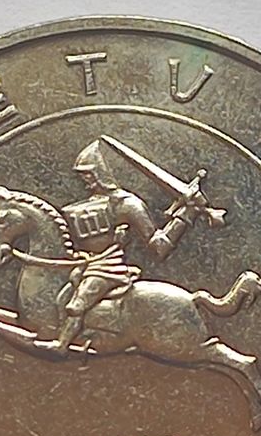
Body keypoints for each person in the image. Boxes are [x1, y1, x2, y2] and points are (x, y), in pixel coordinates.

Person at [50, 139, 172, 353]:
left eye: (89, 174)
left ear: (102, 172)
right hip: (87, 267)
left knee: (76, 305)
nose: (85, 180)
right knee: (62, 299)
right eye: (83, 175)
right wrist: (79, 256)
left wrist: (185, 217)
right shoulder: (85, 207)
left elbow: (159, 246)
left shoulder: (127, 204)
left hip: (109, 269)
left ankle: (61, 345)